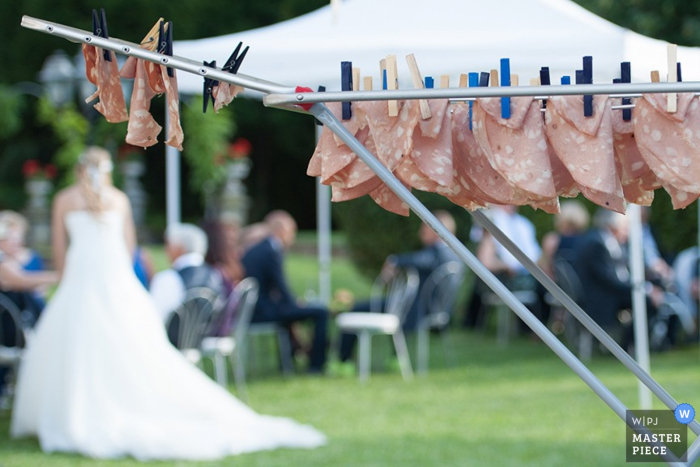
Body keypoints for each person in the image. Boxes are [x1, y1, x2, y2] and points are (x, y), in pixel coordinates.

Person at [10, 147, 326, 460]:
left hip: (81, 278)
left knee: (76, 345)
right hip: (114, 278)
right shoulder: (118, 199)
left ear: (79, 170)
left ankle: (74, 412)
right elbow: (128, 249)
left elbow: (60, 253)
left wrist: (63, 279)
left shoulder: (63, 200)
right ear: (107, 171)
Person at [339, 210, 462, 363]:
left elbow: (424, 259)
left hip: (417, 309)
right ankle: (396, 358)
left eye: (424, 229)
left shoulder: (439, 252)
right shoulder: (456, 254)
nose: (420, 232)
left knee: (357, 309)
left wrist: (395, 260)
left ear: (436, 230)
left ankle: (344, 361)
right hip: (432, 308)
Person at [241, 210, 329, 373]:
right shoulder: (271, 250)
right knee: (321, 312)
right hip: (263, 312)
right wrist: (294, 303)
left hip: (253, 309)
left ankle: (290, 359)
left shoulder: (256, 249)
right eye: (291, 232)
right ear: (281, 230)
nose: (293, 237)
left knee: (292, 315)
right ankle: (316, 365)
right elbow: (280, 285)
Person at [575, 209, 663, 351]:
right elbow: (610, 280)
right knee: (646, 301)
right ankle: (626, 346)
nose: (627, 231)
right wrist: (645, 289)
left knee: (651, 296)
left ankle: (633, 344)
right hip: (600, 299)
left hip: (610, 293)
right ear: (613, 226)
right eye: (625, 227)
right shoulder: (595, 244)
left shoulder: (609, 242)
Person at [149, 223, 225, 325]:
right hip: (208, 338)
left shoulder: (167, 278)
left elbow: (156, 317)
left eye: (169, 245)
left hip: (172, 340)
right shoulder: (215, 275)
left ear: (180, 248)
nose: (165, 250)